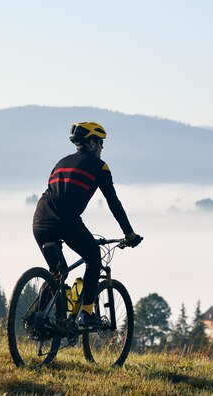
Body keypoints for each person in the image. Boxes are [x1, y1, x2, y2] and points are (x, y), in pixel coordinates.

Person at [32, 121, 142, 327]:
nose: (102, 147)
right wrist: (130, 234)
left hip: (40, 219)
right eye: (100, 142)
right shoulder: (100, 166)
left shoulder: (61, 161)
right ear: (91, 143)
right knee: (93, 257)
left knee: (58, 273)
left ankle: (38, 318)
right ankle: (86, 314)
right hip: (66, 220)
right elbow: (113, 203)